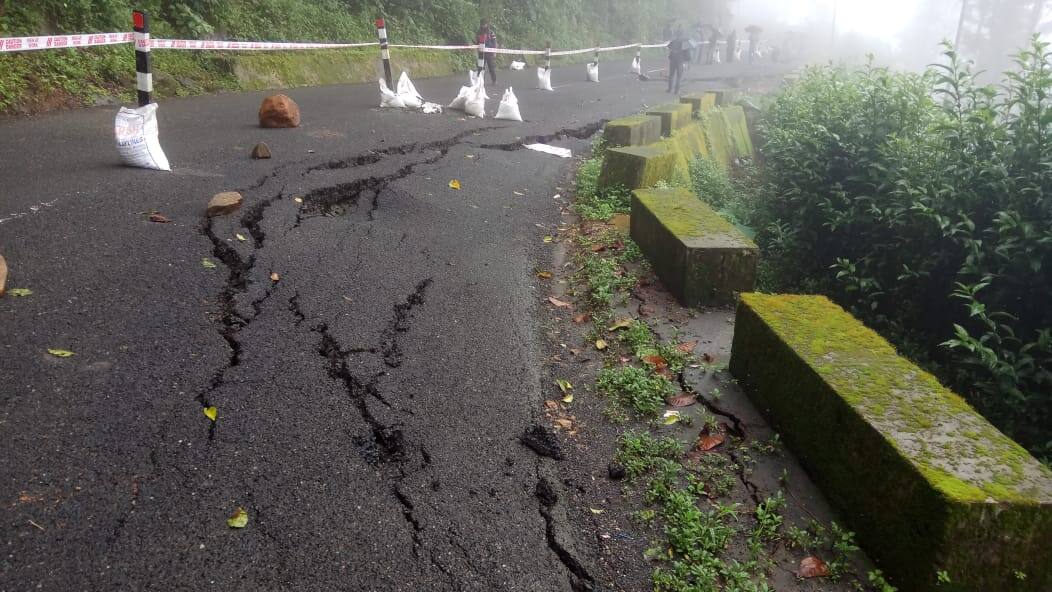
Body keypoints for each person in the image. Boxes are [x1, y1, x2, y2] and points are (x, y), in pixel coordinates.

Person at [667, 26, 691, 94]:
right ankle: (676, 91)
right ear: (683, 33)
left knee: (671, 75)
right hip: (680, 61)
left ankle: (669, 89)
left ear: (677, 33)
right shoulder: (685, 42)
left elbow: (669, 47)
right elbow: (688, 54)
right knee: (679, 76)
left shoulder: (674, 41)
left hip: (673, 59)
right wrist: (688, 62)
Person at [477, 20, 498, 86]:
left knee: (491, 67)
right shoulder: (479, 32)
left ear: (486, 24)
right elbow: (477, 41)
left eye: (484, 24)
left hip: (489, 53)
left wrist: (494, 52)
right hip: (481, 52)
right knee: (480, 67)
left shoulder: (491, 32)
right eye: (482, 24)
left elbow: (494, 43)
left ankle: (494, 81)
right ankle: (480, 81)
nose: (483, 26)